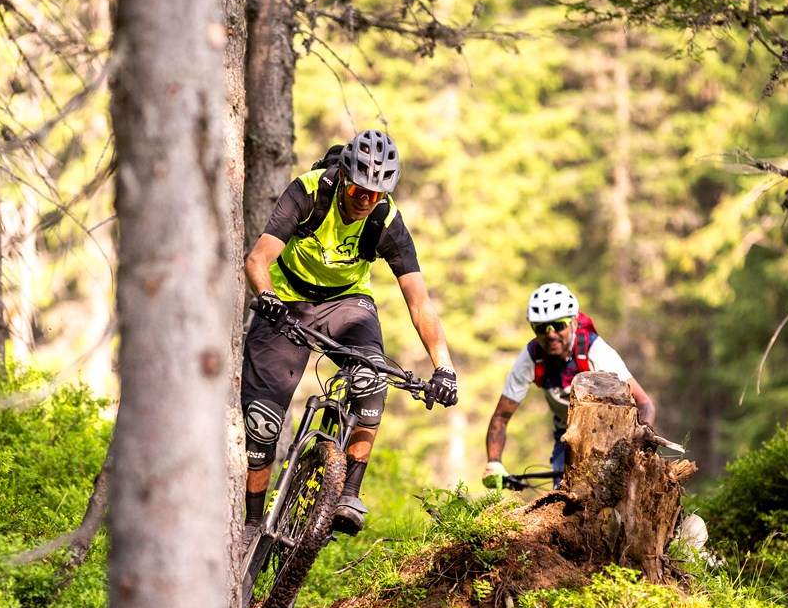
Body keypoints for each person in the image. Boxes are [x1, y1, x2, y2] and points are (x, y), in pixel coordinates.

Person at [242, 129, 457, 540]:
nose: (366, 200)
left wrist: (443, 367)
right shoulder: (308, 192)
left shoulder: (384, 218)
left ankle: (349, 493)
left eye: (376, 194)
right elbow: (257, 259)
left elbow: (419, 302)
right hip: (286, 300)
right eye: (360, 189)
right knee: (262, 422)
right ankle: (252, 524)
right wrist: (266, 297)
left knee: (372, 377)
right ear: (343, 176)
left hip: (346, 305)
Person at [483, 282, 655, 489]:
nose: (551, 334)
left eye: (558, 325)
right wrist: (494, 463)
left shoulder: (595, 351)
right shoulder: (531, 358)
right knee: (564, 498)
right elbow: (501, 417)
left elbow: (644, 403)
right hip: (567, 436)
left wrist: (639, 446)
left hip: (612, 435)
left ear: (573, 322)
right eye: (541, 328)